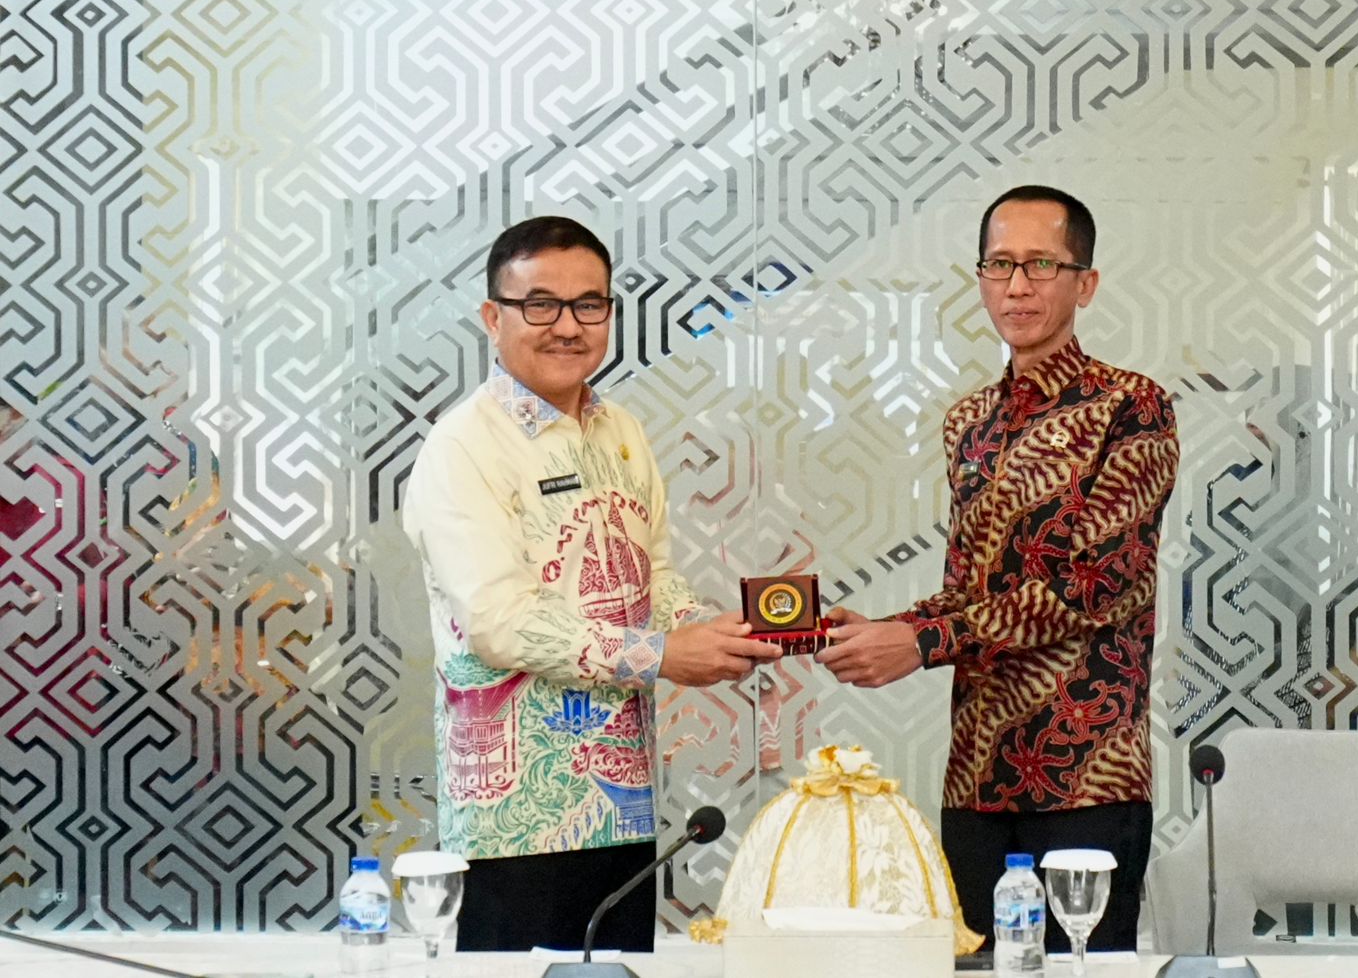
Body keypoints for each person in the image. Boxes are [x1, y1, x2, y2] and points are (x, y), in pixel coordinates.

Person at [401, 216, 781, 953]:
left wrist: (714, 635)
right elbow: (499, 623)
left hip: (624, 805)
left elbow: (651, 576)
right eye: (540, 304)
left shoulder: (621, 432)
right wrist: (663, 655)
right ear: (493, 317)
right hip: (515, 820)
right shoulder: (463, 446)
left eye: (588, 304)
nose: (568, 326)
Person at [816, 186, 1179, 952]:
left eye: (1041, 265)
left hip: (1086, 774)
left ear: (1085, 283)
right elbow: (970, 592)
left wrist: (920, 643)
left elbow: (1096, 586)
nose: (1017, 285)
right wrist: (887, 629)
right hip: (977, 775)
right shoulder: (969, 423)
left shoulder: (1132, 408)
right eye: (1000, 264)